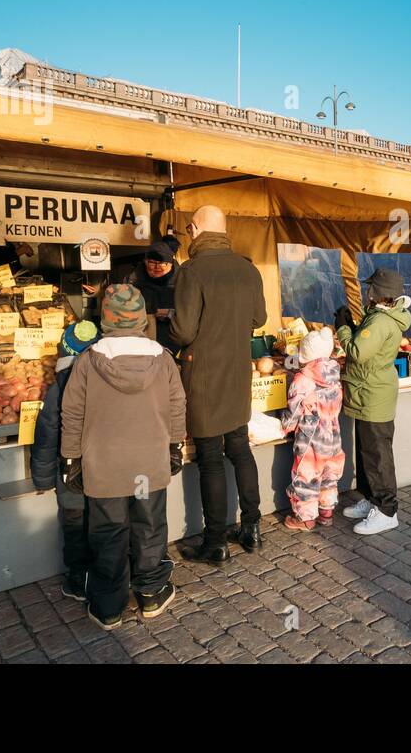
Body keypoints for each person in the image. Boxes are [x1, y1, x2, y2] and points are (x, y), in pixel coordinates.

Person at [61, 285, 186, 630]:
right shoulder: (163, 359)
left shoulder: (87, 360)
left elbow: (71, 413)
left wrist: (70, 458)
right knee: (149, 526)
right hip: (150, 463)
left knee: (108, 533)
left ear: (106, 319)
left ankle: (109, 606)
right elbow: (177, 405)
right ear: (141, 318)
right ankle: (151, 593)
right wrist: (176, 444)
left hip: (104, 466)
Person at [171, 206, 267, 562]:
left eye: (188, 229)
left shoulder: (191, 271)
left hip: (204, 376)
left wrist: (173, 317)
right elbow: (259, 317)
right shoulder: (247, 268)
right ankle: (252, 528)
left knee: (211, 457)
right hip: (238, 372)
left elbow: (183, 331)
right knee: (240, 448)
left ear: (195, 229)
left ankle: (215, 543)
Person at [334, 268, 411, 535]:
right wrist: (355, 328)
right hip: (369, 394)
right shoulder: (380, 317)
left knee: (378, 457)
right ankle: (371, 500)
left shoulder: (380, 321)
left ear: (378, 293)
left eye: (370, 288)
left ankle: (387, 511)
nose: (366, 292)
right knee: (368, 453)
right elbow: (366, 345)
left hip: (373, 396)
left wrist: (344, 328)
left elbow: (357, 351)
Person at [30, 320, 100, 600]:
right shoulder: (107, 382)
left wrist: (43, 479)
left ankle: (78, 579)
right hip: (104, 474)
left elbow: (46, 435)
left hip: (70, 476)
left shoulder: (58, 388)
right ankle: (105, 572)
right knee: (104, 524)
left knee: (74, 527)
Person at [280, 328, 344, 531]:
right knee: (329, 475)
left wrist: (285, 426)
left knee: (307, 476)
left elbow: (294, 412)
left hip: (311, 441)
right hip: (333, 436)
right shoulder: (334, 376)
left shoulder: (302, 380)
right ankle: (326, 512)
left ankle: (305, 518)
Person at [126, 235, 181, 351]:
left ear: (171, 263)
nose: (157, 268)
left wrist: (171, 313)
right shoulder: (132, 281)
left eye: (162, 264)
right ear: (145, 262)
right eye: (152, 263)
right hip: (141, 343)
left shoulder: (182, 281)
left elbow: (192, 312)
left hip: (173, 342)